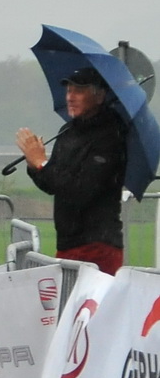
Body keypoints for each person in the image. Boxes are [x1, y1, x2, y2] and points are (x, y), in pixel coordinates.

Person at [16, 67, 128, 273]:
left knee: (93, 306)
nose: (70, 97)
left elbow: (81, 190)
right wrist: (34, 164)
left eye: (79, 91)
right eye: (68, 91)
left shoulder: (111, 135)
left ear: (100, 95)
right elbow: (52, 184)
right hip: (67, 244)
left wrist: (42, 163)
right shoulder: (67, 131)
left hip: (99, 245)